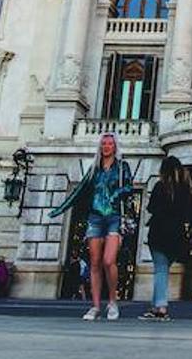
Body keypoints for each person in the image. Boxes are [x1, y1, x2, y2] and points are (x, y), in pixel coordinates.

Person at [49, 133, 134, 321]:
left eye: (110, 144)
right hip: (95, 217)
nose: (106, 147)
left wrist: (115, 195)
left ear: (115, 147)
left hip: (113, 216)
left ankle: (112, 301)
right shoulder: (94, 169)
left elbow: (129, 187)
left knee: (108, 261)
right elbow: (79, 191)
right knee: (94, 263)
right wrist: (60, 209)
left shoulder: (122, 167)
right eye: (103, 144)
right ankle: (95, 306)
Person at [141, 155, 192, 321]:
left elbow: (151, 208)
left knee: (160, 270)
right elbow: (191, 213)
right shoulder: (186, 189)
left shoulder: (160, 186)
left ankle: (161, 307)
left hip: (159, 233)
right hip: (177, 236)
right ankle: (155, 306)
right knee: (163, 271)